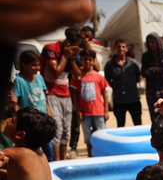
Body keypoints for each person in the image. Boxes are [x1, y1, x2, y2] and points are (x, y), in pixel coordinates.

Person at [41, 29, 82, 161]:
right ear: (68, 43)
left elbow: (79, 76)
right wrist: (65, 56)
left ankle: (63, 161)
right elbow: (55, 73)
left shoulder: (71, 56)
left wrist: (71, 59)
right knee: (56, 131)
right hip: (51, 94)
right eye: (76, 49)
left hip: (66, 95)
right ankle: (56, 162)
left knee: (65, 131)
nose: (77, 52)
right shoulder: (50, 49)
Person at [13, 50, 54, 160]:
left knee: (48, 149)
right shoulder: (19, 80)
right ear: (23, 65)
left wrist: (48, 111)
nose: (37, 67)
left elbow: (43, 98)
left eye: (39, 65)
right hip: (31, 122)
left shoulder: (40, 78)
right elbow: (15, 102)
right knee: (33, 150)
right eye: (33, 65)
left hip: (43, 119)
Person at [70, 49, 109, 157]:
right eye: (85, 59)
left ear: (93, 61)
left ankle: (102, 155)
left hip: (98, 111)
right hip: (85, 113)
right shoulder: (77, 77)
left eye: (89, 60)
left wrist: (106, 111)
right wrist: (78, 111)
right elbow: (75, 95)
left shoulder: (98, 76)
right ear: (81, 60)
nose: (87, 62)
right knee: (88, 137)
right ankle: (90, 156)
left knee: (102, 134)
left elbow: (104, 94)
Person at [104, 39, 142, 127]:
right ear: (114, 48)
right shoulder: (109, 64)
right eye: (118, 46)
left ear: (127, 49)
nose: (121, 49)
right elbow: (108, 80)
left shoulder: (133, 63)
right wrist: (118, 87)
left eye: (123, 47)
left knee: (138, 125)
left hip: (134, 99)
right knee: (120, 125)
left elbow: (138, 78)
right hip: (119, 100)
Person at [141, 32, 163, 122]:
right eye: (149, 42)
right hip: (151, 90)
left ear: (158, 42)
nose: (151, 44)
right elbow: (143, 73)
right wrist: (159, 72)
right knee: (154, 118)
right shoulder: (146, 56)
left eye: (153, 41)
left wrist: (151, 69)